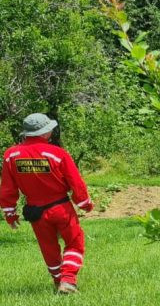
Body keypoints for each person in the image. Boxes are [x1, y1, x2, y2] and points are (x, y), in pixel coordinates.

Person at [1, 113, 94, 294]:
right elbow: (75, 182)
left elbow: (7, 188)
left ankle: (58, 281)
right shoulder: (58, 153)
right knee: (75, 243)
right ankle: (68, 280)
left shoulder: (11, 155)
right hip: (61, 208)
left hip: (35, 213)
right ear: (44, 133)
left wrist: (10, 213)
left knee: (48, 248)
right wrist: (84, 203)